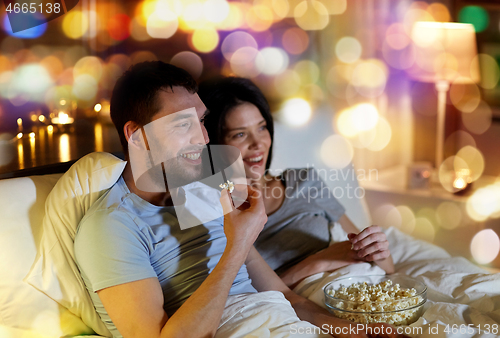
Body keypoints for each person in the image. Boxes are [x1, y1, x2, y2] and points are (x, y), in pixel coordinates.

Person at [74, 62, 403, 338]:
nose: (202, 138)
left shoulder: (205, 191)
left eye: (201, 121)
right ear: (136, 135)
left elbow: (286, 297)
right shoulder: (111, 227)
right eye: (181, 124)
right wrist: (238, 244)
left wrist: (357, 331)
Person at [199, 77, 395, 288]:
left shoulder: (304, 180)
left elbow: (387, 266)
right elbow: (247, 293)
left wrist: (376, 248)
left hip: (363, 286)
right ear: (215, 144)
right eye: (239, 134)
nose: (258, 144)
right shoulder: (216, 211)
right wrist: (318, 262)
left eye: (262, 128)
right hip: (299, 305)